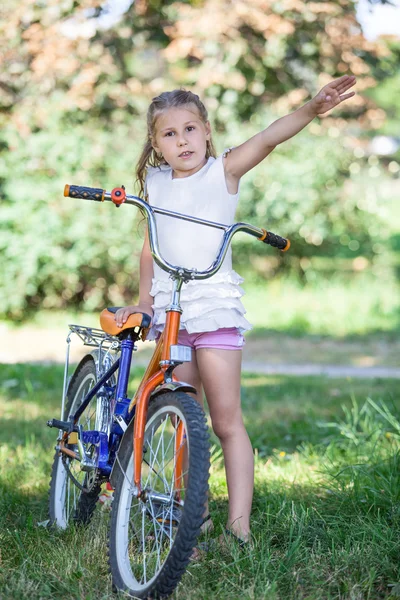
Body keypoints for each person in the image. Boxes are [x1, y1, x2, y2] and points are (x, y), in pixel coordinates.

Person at [113, 75, 356, 547]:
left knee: (225, 420)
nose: (181, 140)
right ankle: (194, 517)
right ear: (156, 143)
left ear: (206, 130)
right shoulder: (156, 184)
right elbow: (149, 249)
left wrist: (310, 108)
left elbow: (268, 136)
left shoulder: (222, 172)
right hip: (173, 313)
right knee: (185, 413)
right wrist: (145, 301)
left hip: (216, 309)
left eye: (189, 129)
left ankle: (238, 527)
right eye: (169, 133)